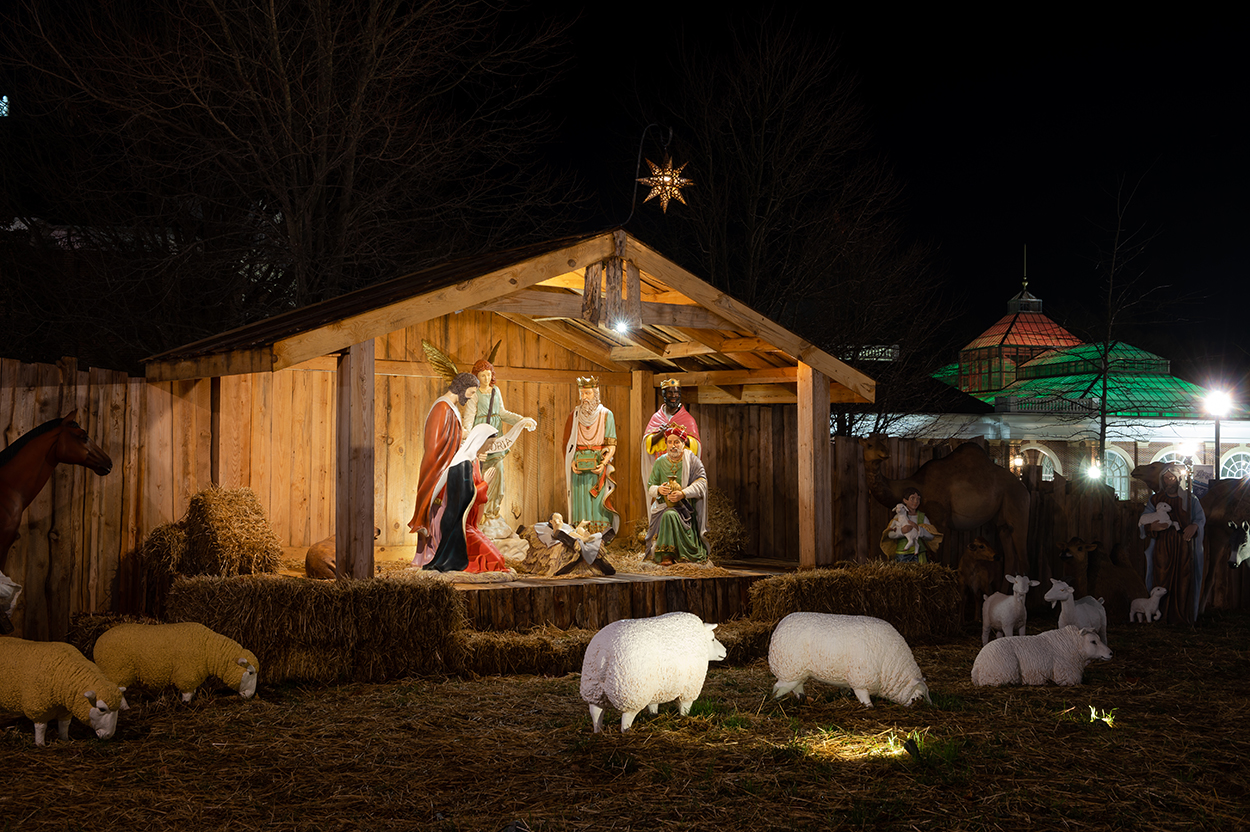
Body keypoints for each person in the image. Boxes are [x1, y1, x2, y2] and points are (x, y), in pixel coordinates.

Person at [408, 372, 478, 567]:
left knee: (441, 511)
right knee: (437, 512)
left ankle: (437, 553)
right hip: (438, 469)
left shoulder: (450, 408)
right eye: (471, 392)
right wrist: (462, 438)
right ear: (462, 388)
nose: (471, 396)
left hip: (446, 467)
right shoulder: (442, 407)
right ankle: (432, 554)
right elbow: (436, 443)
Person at [423, 423, 509, 573]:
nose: (489, 447)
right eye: (489, 443)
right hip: (459, 528)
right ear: (480, 440)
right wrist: (485, 483)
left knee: (499, 559)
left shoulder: (473, 461)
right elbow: (466, 496)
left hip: (469, 525)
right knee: (494, 562)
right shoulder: (463, 464)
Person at [465, 358, 537, 520]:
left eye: (489, 374)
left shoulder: (496, 391)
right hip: (481, 439)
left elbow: (502, 413)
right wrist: (468, 441)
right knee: (480, 475)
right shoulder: (474, 394)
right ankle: (478, 513)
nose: (486, 378)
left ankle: (492, 513)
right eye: (482, 375)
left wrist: (521, 420)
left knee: (499, 476)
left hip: (496, 439)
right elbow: (469, 418)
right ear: (477, 377)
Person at [1141, 462, 1205, 624]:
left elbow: (1200, 518)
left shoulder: (1191, 500)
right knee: (1161, 578)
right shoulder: (1155, 499)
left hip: (1184, 546)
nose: (1169, 481)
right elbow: (1144, 521)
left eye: (1172, 478)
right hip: (1163, 547)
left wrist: (1194, 525)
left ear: (1178, 479)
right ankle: (1160, 617)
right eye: (1166, 478)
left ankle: (1182, 618)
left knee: (1184, 581)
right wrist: (1152, 527)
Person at [561, 377, 619, 535]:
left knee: (597, 502)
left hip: (597, 463)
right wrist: (571, 461)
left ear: (596, 393)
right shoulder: (575, 415)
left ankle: (599, 535)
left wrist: (604, 462)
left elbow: (611, 443)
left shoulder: (606, 414)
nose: (584, 397)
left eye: (588, 393)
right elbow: (567, 443)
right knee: (580, 499)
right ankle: (580, 533)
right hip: (579, 464)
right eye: (582, 393)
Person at [645, 424, 709, 564]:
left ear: (683, 444)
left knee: (671, 514)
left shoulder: (692, 461)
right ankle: (665, 553)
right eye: (669, 442)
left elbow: (702, 483)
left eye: (676, 442)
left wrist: (683, 494)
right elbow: (650, 486)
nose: (673, 446)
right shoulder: (660, 462)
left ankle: (669, 555)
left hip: (685, 509)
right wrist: (658, 490)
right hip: (663, 506)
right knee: (667, 513)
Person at [641, 379, 701, 494]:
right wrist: (660, 434)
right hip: (660, 466)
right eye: (670, 392)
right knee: (660, 496)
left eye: (676, 392)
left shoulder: (688, 419)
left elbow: (696, 445)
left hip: (680, 467)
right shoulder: (656, 418)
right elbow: (647, 443)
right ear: (663, 394)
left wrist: (681, 435)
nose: (674, 396)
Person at [879, 487, 940, 563]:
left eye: (918, 499)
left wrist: (919, 529)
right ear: (905, 500)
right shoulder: (898, 517)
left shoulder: (922, 517)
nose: (916, 501)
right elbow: (890, 534)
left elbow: (931, 536)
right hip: (903, 554)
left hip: (919, 554)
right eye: (912, 498)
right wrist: (901, 531)